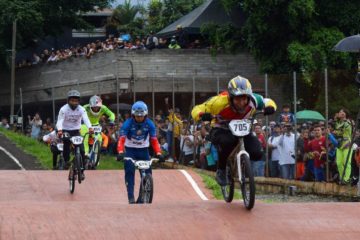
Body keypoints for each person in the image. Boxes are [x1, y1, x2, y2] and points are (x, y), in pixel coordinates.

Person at [191, 75, 277, 186]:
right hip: (222, 129)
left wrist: (270, 108)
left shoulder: (255, 100)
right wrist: (201, 115)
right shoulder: (218, 102)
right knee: (227, 141)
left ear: (249, 97)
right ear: (231, 97)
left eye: (244, 98)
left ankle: (243, 163)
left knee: (257, 153)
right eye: (237, 99)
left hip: (243, 130)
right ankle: (221, 170)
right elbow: (197, 108)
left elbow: (269, 101)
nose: (241, 103)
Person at [116, 101, 164, 204]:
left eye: (141, 116)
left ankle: (142, 196)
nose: (139, 118)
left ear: (145, 115)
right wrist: (120, 152)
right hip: (130, 150)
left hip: (143, 150)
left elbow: (154, 140)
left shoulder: (150, 124)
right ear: (133, 115)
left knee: (147, 173)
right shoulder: (127, 124)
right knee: (129, 171)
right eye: (137, 116)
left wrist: (159, 153)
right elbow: (121, 139)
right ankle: (131, 197)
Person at [56, 90, 93, 179]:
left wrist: (90, 128)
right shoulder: (63, 109)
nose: (74, 102)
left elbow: (86, 119)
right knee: (66, 146)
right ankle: (66, 161)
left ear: (78, 101)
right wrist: (60, 130)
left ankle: (82, 171)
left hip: (76, 131)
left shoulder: (81, 109)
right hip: (65, 130)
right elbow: (60, 121)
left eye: (76, 101)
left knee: (82, 151)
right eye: (72, 100)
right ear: (68, 100)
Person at [333, 108, 353, 183]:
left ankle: (346, 179)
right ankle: (341, 178)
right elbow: (338, 132)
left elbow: (346, 132)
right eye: (340, 111)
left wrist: (336, 132)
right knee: (338, 162)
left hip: (347, 144)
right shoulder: (337, 123)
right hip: (339, 144)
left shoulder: (348, 122)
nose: (341, 113)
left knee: (346, 162)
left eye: (343, 112)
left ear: (346, 114)